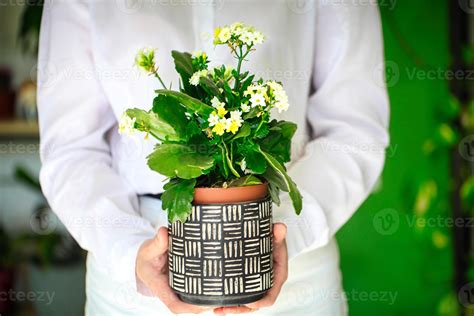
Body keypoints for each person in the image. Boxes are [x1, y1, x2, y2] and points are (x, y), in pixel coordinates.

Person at [37, 0, 389, 315]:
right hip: (134, 280)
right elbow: (71, 147)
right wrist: (127, 249)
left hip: (293, 273)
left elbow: (354, 129)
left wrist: (285, 233)